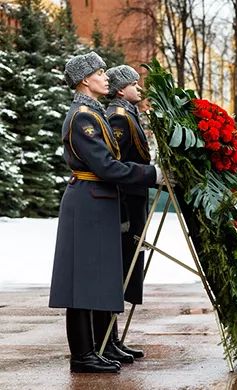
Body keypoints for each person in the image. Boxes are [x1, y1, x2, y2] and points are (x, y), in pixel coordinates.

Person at [48, 52, 164, 373]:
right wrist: (152, 175)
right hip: (88, 199)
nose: (106, 77)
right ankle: (82, 355)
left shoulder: (92, 112)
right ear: (86, 80)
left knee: (96, 277)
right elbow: (106, 166)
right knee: (82, 279)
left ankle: (95, 348)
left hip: (96, 199)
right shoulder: (83, 116)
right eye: (100, 72)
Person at [105, 65, 150, 359]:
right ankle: (108, 339)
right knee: (120, 270)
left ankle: (113, 339)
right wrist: (121, 213)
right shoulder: (118, 117)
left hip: (135, 199)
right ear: (121, 89)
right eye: (134, 84)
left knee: (128, 268)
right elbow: (115, 164)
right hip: (126, 202)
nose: (139, 88)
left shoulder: (129, 112)